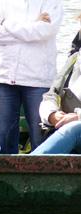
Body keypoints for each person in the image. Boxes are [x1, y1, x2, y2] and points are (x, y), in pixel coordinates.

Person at [0, 0, 63, 154]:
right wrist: (33, 25)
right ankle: (6, 177)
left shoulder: (52, 2)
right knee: (5, 140)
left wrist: (7, 25)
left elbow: (44, 31)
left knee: (42, 141)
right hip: (4, 77)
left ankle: (44, 177)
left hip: (38, 79)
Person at [32, 14, 81, 154]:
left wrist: (78, 117)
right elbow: (51, 94)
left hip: (74, 129)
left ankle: (24, 170)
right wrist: (52, 114)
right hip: (65, 128)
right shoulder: (75, 59)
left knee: (73, 129)